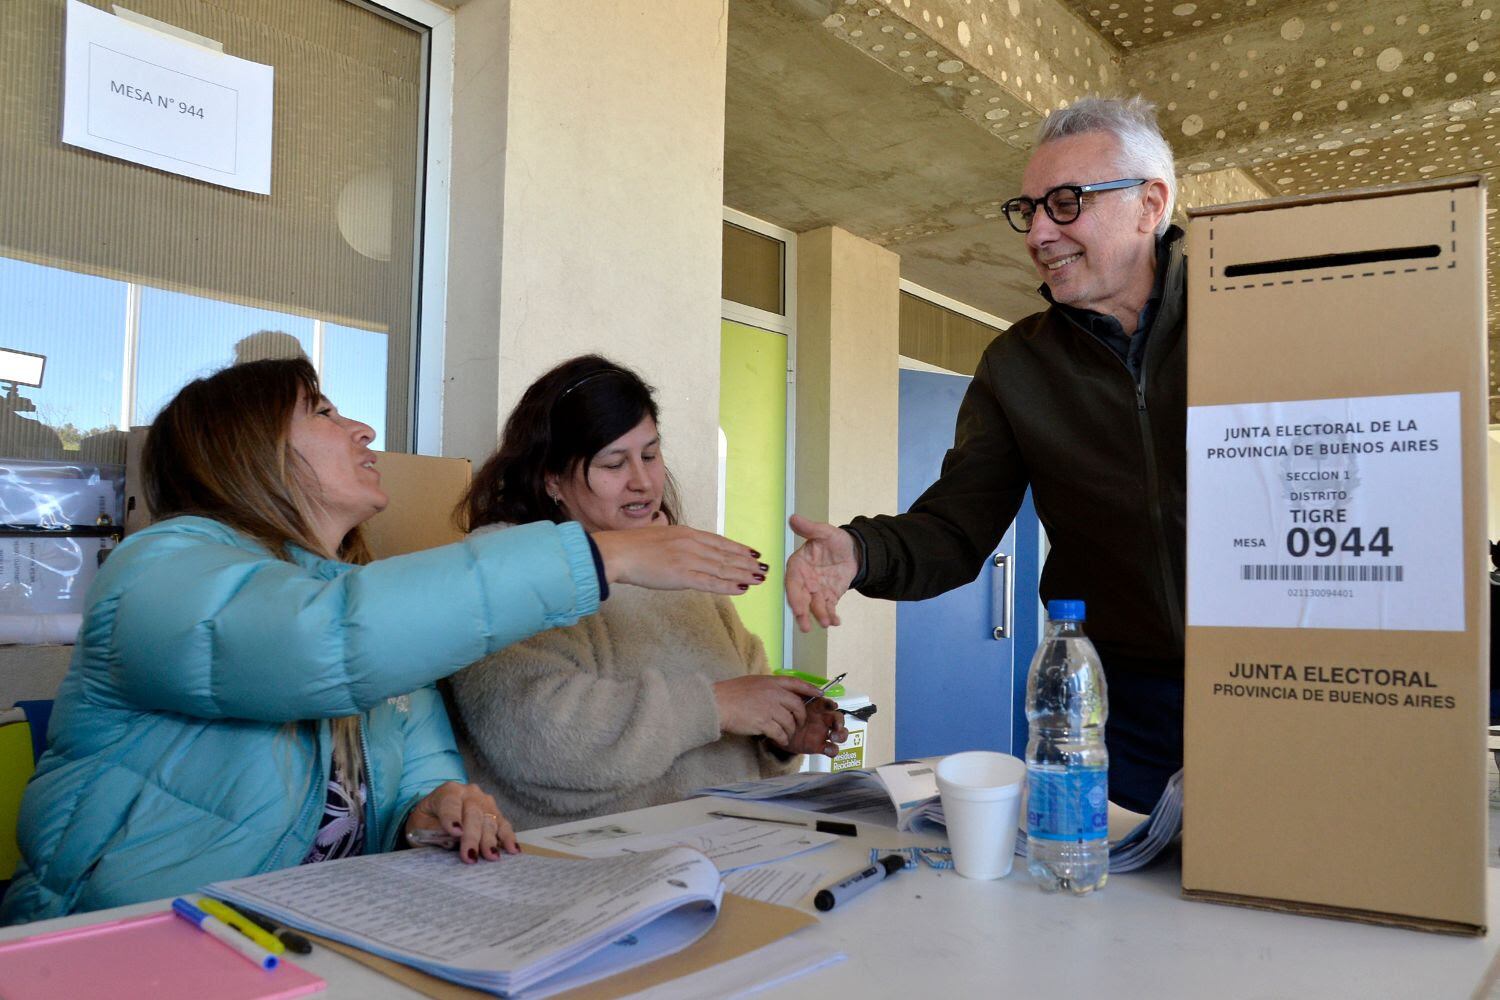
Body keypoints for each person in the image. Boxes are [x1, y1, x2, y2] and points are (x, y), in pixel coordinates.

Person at [1, 358, 765, 925]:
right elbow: (322, 648)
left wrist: (435, 806)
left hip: (306, 934)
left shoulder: (361, 590)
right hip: (126, 939)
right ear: (247, 448)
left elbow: (414, 767)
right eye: (323, 411)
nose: (362, 428)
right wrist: (603, 556)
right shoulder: (156, 572)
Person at [784, 96, 1185, 814]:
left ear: (1149, 205)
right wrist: (859, 551)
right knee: (1120, 904)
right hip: (1117, 703)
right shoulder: (1018, 365)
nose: (1038, 233)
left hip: (1279, 681)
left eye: (1065, 204)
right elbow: (955, 529)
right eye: (1027, 209)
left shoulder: (1252, 308)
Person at [448, 355, 846, 830]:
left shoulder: (677, 556)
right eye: (614, 463)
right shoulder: (510, 563)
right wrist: (718, 706)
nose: (642, 481)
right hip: (590, 874)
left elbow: (742, 693)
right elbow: (542, 743)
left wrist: (779, 730)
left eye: (651, 455)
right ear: (552, 478)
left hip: (723, 853)